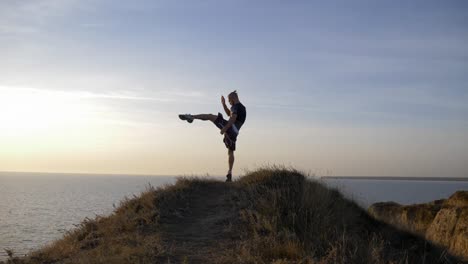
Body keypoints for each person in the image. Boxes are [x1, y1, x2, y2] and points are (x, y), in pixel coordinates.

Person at [178, 90, 247, 182]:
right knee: (230, 152)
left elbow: (232, 118)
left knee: (210, 116)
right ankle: (229, 173)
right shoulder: (242, 108)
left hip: (230, 128)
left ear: (233, 98)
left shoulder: (236, 106)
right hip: (235, 132)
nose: (229, 103)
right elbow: (229, 114)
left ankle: (192, 117)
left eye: (229, 100)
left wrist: (225, 128)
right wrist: (223, 104)